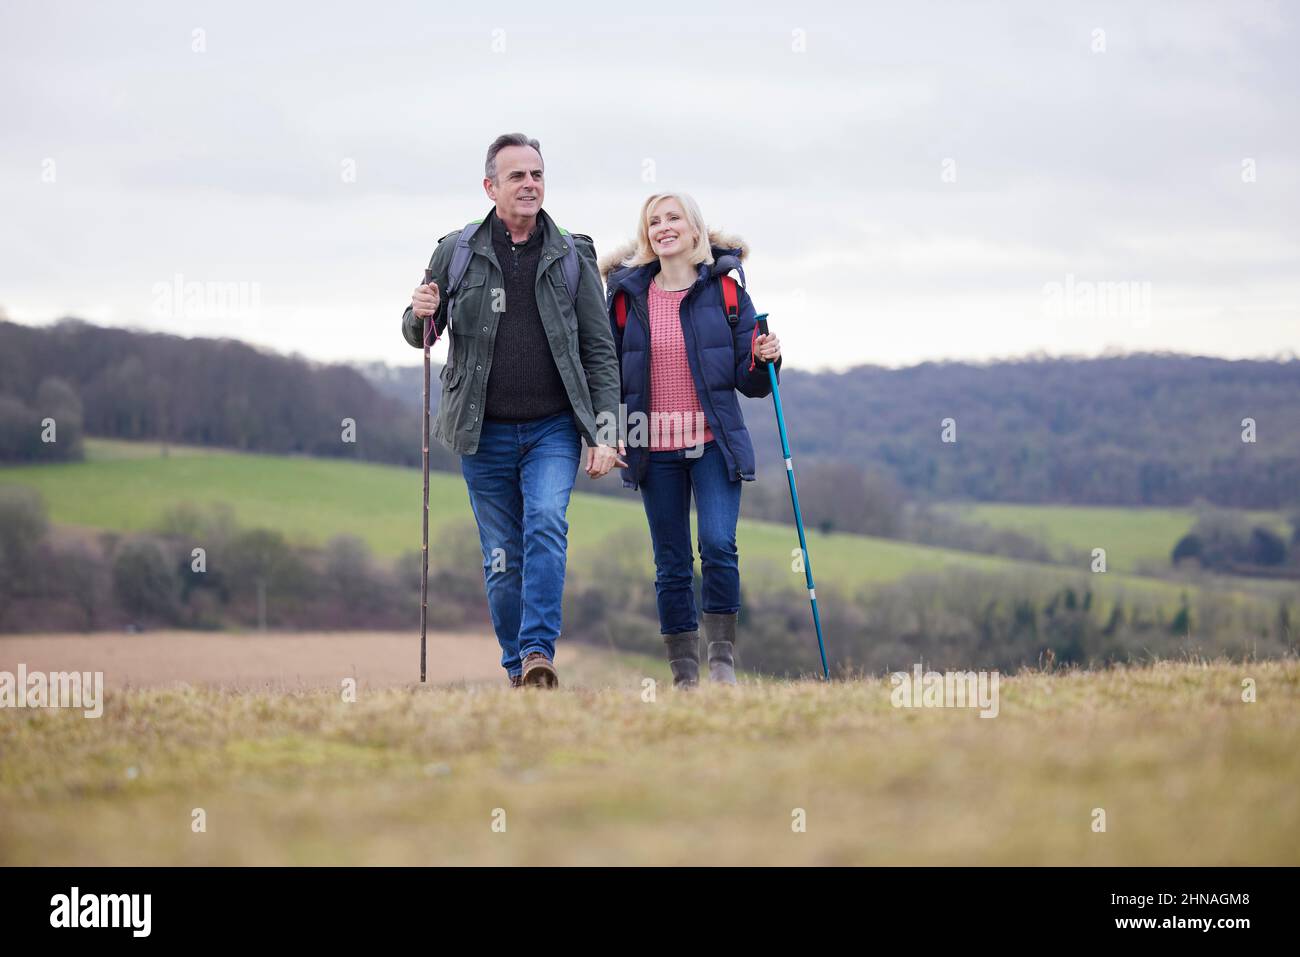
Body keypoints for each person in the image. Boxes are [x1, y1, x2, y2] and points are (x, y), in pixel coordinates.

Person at [402, 133, 624, 689]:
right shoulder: (455, 250)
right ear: (490, 186)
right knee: (501, 555)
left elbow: (599, 350)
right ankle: (516, 670)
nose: (530, 185)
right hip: (482, 432)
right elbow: (422, 334)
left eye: (537, 175)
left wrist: (605, 432)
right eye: (518, 176)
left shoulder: (574, 254)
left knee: (547, 525)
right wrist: (416, 311)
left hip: (552, 427)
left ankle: (536, 652)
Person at [599, 192, 781, 688]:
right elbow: (608, 375)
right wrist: (605, 435)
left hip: (713, 443)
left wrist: (765, 359)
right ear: (647, 235)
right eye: (653, 221)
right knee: (672, 563)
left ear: (694, 229)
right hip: (652, 450)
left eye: (673, 218)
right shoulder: (625, 298)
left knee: (719, 545)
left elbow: (753, 384)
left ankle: (721, 661)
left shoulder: (726, 293)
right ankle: (684, 676)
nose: (663, 227)